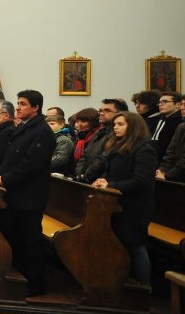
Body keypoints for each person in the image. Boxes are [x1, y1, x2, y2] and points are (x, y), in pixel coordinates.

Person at [0, 90, 54, 297]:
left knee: (30, 240)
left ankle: (35, 284)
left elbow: (31, 165)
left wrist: (5, 179)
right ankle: (19, 277)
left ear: (35, 107)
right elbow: (10, 158)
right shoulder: (25, 127)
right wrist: (0, 176)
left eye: (23, 104)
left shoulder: (42, 131)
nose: (18, 107)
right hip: (15, 193)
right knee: (16, 238)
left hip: (29, 196)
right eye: (18, 103)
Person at [92, 111, 157, 286]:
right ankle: (120, 283)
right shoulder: (117, 146)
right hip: (117, 203)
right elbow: (111, 171)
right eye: (115, 124)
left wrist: (111, 185)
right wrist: (103, 180)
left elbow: (142, 181)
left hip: (135, 206)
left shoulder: (144, 148)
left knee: (135, 246)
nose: (115, 127)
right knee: (118, 244)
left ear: (133, 127)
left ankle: (144, 287)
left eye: (120, 124)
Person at [75, 98, 128, 182]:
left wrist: (86, 176)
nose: (101, 113)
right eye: (100, 111)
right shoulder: (99, 132)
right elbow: (85, 154)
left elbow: (103, 159)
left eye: (107, 111)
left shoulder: (118, 134)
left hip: (101, 181)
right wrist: (78, 173)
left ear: (120, 114)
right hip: (86, 178)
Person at [157, 98, 185, 183]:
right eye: (182, 104)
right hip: (172, 176)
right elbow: (170, 153)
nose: (181, 108)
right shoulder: (181, 126)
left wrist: (168, 176)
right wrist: (162, 170)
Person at [150, 92, 183, 160]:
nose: (160, 104)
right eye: (159, 102)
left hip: (169, 160)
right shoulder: (157, 119)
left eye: (165, 102)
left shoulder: (180, 122)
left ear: (177, 105)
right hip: (153, 157)